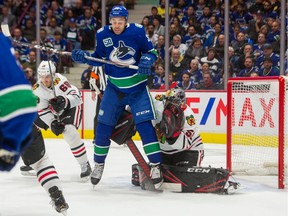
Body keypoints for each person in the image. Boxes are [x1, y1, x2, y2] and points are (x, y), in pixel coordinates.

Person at [71, 5, 163, 189]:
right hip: (114, 89)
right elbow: (98, 58)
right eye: (114, 22)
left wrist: (147, 60)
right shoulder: (102, 34)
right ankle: (98, 164)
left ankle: (155, 165)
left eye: (120, 22)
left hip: (137, 89)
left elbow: (152, 52)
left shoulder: (137, 32)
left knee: (145, 127)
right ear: (110, 21)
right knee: (103, 128)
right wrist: (84, 58)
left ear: (126, 20)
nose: (117, 25)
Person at [132, 87, 240, 194]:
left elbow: (181, 146)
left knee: (182, 173)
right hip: (164, 151)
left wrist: (169, 133)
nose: (173, 107)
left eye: (177, 104)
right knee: (167, 172)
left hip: (188, 151)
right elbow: (140, 103)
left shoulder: (189, 117)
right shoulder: (157, 103)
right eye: (170, 102)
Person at [33, 60, 92, 181]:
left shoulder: (60, 81)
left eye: (48, 76)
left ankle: (84, 164)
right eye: (42, 77)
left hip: (71, 106)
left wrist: (64, 100)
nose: (45, 80)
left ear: (54, 74)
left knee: (69, 132)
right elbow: (43, 110)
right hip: (53, 111)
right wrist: (52, 123)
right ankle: (34, 159)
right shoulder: (37, 89)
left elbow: (77, 97)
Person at [0, 32, 37, 172]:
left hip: (5, 100)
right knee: (6, 162)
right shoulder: (3, 39)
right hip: (27, 100)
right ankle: (9, 150)